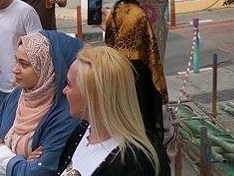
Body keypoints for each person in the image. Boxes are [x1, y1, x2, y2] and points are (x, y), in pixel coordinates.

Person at [0, 31, 84, 176]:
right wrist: (19, 160)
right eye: (16, 60)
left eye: (24, 64)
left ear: (46, 67)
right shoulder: (18, 96)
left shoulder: (65, 113)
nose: (15, 70)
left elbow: (36, 172)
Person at [57, 46, 162, 176]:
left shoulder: (132, 164)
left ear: (91, 96)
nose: (64, 90)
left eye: (68, 84)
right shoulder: (82, 131)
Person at [103, 1, 169, 171]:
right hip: (147, 155)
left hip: (117, 156)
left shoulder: (107, 68)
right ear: (142, 27)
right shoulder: (148, 66)